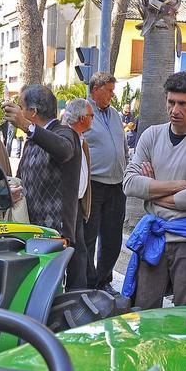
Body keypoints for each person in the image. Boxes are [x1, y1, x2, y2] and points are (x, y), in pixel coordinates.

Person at [121, 72, 186, 308]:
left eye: (183, 104)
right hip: (154, 236)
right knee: (143, 309)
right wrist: (182, 185)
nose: (175, 110)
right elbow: (129, 183)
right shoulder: (151, 135)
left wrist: (152, 190)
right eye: (171, 102)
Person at [4, 85, 83, 286]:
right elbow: (22, 177)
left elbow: (64, 150)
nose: (19, 112)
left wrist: (27, 126)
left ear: (33, 112)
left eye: (21, 108)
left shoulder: (65, 133)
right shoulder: (32, 139)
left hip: (55, 234)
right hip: (34, 232)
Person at [81, 72, 127, 293]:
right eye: (108, 90)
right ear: (95, 89)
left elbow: (122, 145)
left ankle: (103, 280)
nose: (112, 94)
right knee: (89, 236)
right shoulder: (82, 112)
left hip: (117, 185)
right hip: (94, 185)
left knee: (112, 237)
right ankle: (88, 282)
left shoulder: (115, 115)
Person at [63, 98, 95, 290]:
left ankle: (78, 291)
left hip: (77, 205)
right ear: (82, 118)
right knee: (74, 252)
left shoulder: (81, 140)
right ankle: (75, 294)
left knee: (79, 252)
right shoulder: (67, 139)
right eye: (91, 116)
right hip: (66, 207)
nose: (93, 119)